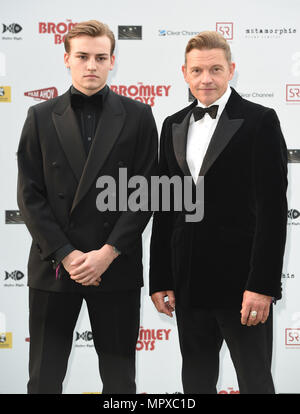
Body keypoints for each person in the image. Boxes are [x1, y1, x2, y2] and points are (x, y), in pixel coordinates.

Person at [17, 20, 158, 394]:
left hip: (115, 267)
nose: (91, 65)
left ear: (112, 61)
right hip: (55, 269)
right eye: (82, 56)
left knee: (119, 383)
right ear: (67, 59)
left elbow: (144, 195)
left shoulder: (140, 116)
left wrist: (107, 253)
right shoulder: (40, 116)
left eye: (100, 57)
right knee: (44, 380)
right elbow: (30, 195)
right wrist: (66, 254)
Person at [149, 31, 287, 394]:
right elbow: (166, 207)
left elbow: (273, 211)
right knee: (195, 382)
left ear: (231, 70)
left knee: (255, 381)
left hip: (242, 286)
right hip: (188, 282)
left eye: (215, 69)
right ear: (184, 73)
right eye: (197, 70)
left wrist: (262, 285)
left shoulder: (260, 121)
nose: (205, 78)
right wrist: (161, 276)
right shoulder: (173, 124)